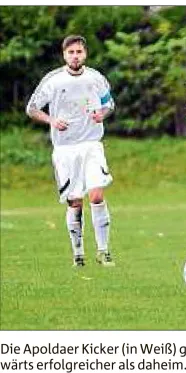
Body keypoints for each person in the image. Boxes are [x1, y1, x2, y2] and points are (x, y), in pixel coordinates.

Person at [26, 35, 115, 268]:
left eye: (79, 52)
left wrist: (101, 115)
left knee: (96, 195)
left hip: (92, 145)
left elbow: (109, 104)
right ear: (64, 55)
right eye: (71, 52)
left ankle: (104, 251)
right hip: (65, 149)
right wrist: (52, 120)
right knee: (75, 202)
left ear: (85, 54)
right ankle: (78, 254)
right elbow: (32, 108)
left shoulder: (96, 78)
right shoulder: (53, 80)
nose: (75, 56)